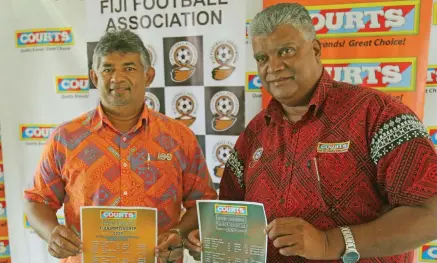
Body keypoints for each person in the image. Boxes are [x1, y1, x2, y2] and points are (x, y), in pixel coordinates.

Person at [185, 3, 437, 263]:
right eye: (262, 58)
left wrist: (330, 242)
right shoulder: (254, 134)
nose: (273, 66)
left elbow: (429, 213)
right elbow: (232, 218)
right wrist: (209, 241)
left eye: (286, 51)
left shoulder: (378, 114)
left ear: (315, 50)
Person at [23, 29, 217, 263]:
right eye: (107, 69)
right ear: (95, 78)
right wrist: (52, 233)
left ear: (148, 76)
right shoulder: (65, 138)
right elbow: (37, 201)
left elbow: (203, 204)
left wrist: (177, 234)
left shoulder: (179, 138)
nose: (117, 78)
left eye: (129, 68)